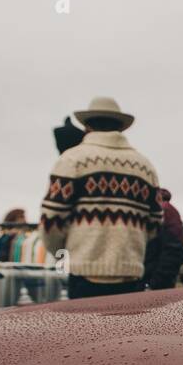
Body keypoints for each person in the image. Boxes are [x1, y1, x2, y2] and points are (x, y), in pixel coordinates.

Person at [40, 97, 162, 299]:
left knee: (84, 331)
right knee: (128, 332)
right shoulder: (144, 167)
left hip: (83, 273)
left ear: (87, 126)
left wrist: (65, 252)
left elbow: (51, 221)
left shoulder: (71, 160)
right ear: (121, 128)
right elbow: (155, 224)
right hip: (131, 276)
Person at [143, 188, 183, 289]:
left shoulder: (162, 210)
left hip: (159, 274)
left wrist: (154, 282)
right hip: (167, 271)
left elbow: (170, 247)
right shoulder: (173, 210)